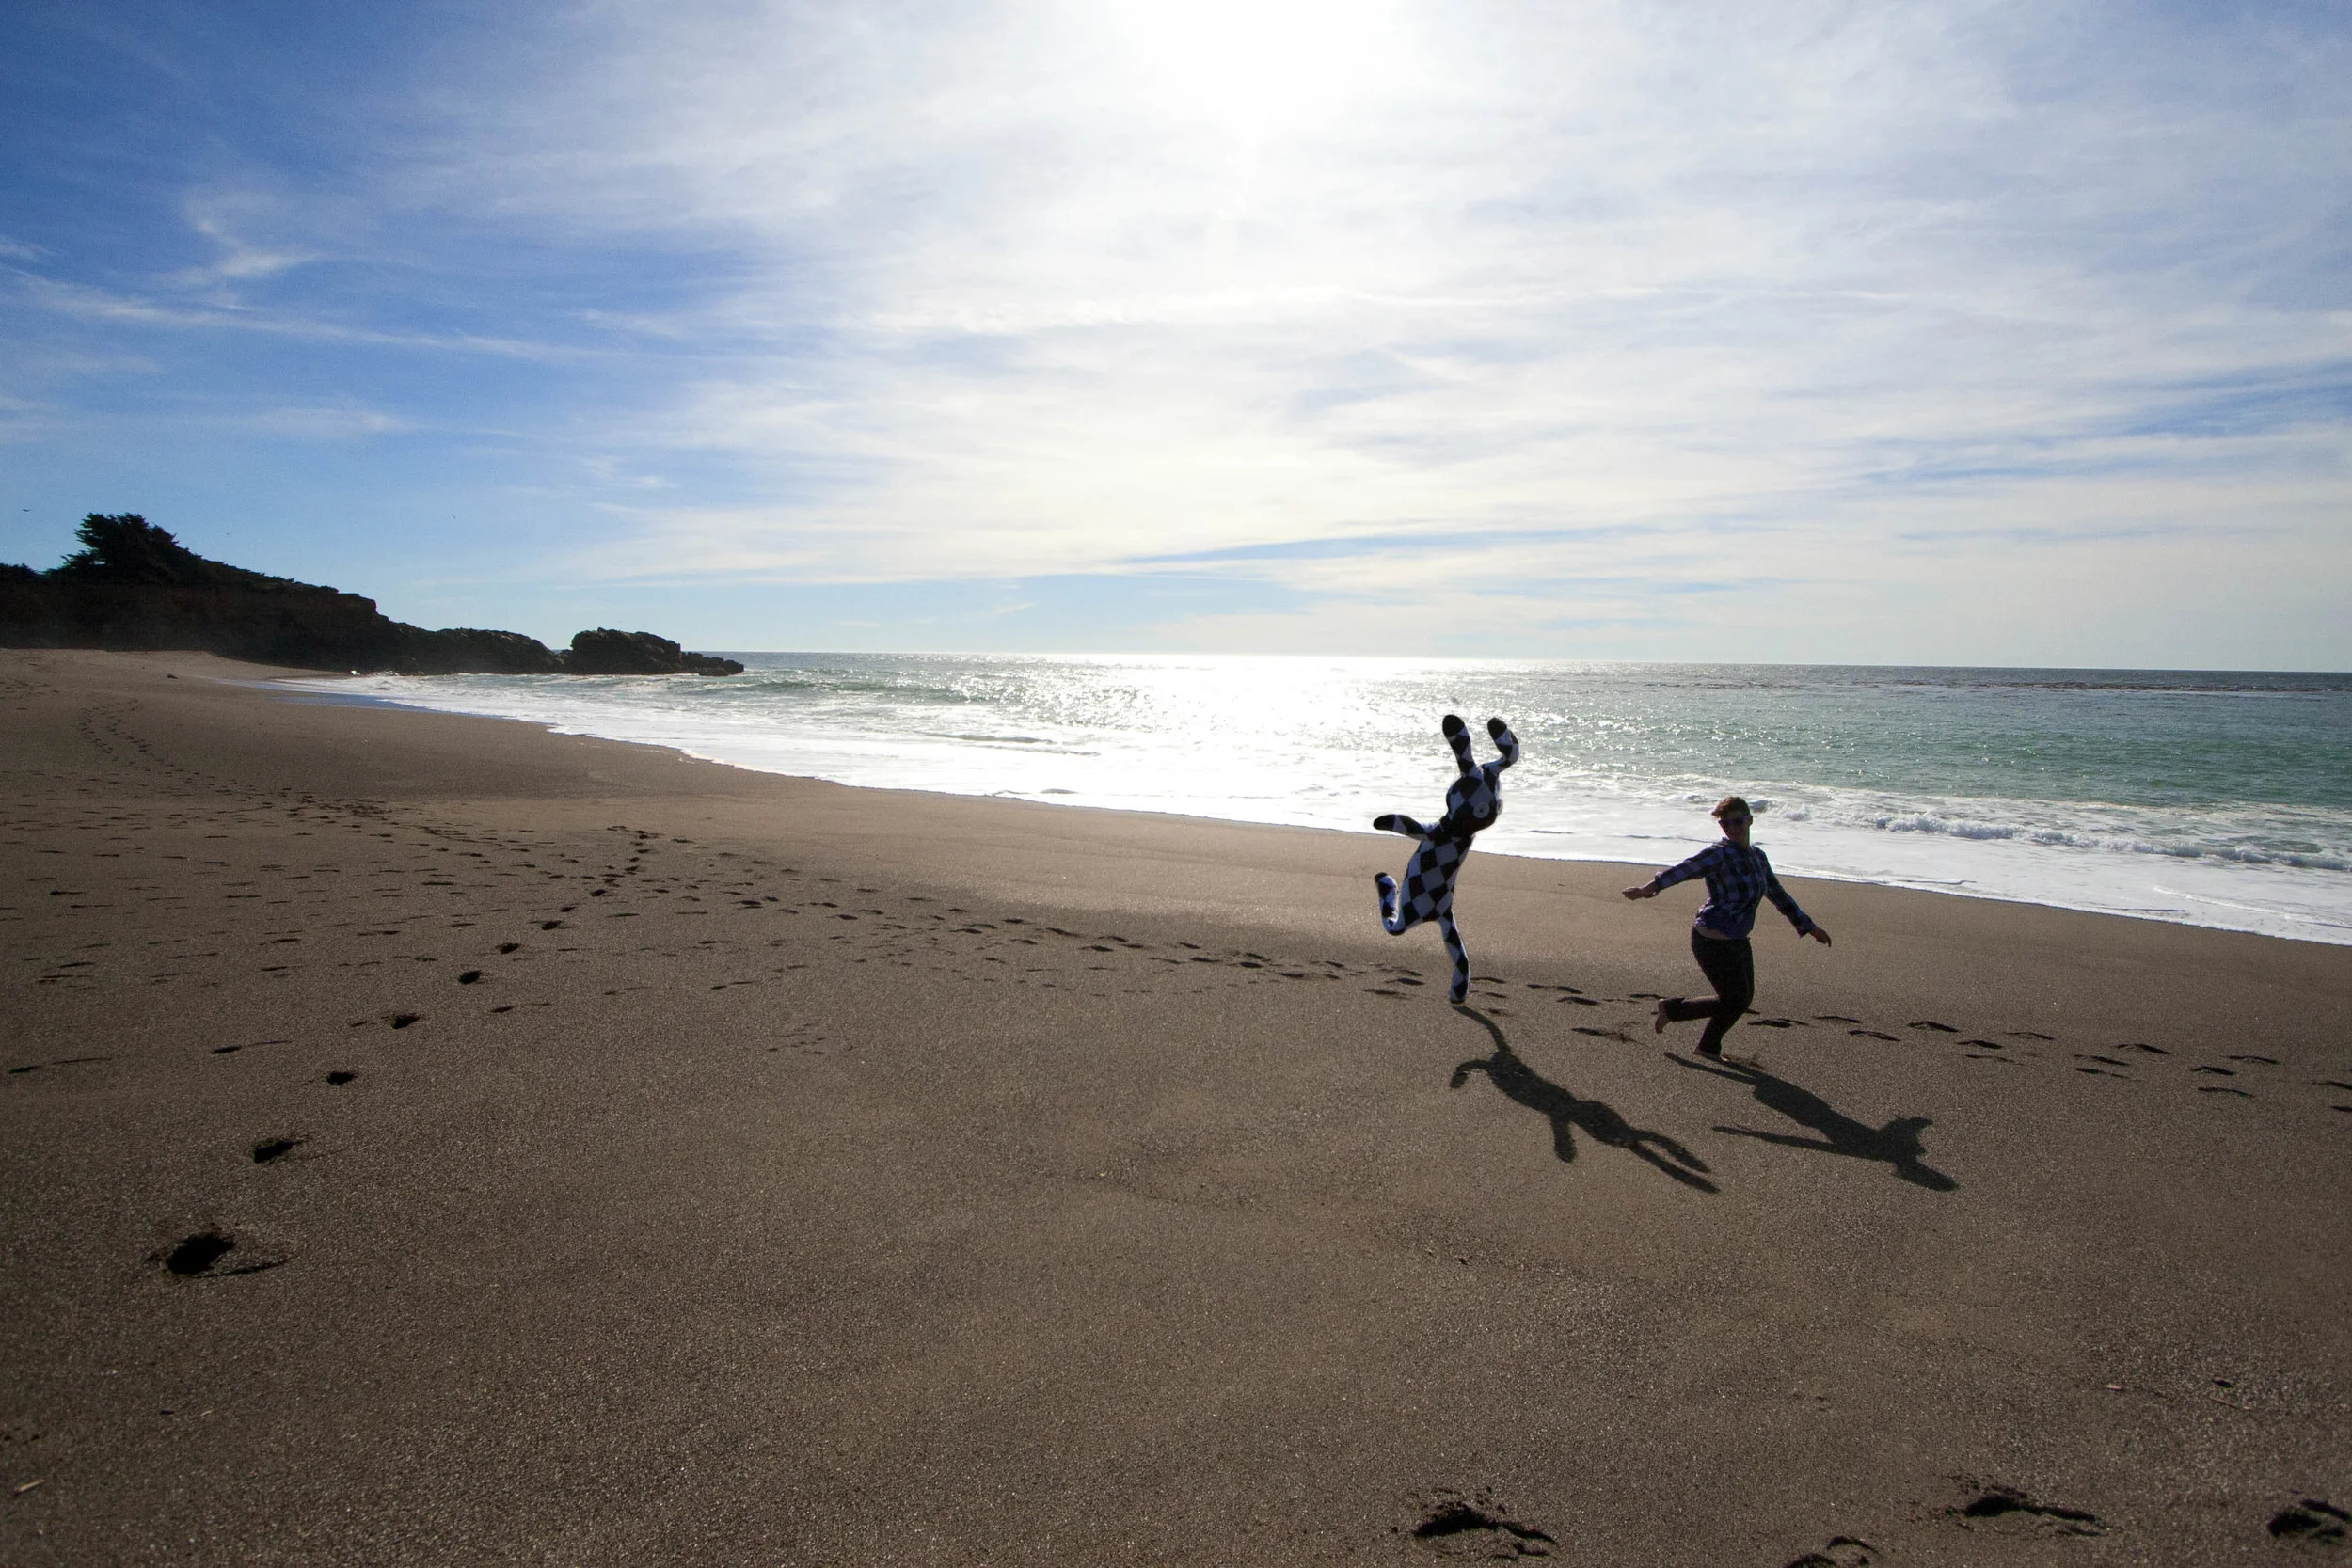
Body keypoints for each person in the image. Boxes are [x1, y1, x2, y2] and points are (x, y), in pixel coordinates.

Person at [1621, 796, 1830, 1057]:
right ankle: (1698, 1035)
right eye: (1725, 824)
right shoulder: (1718, 854)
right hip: (1711, 938)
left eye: (1737, 821)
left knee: (1741, 999)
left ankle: (1694, 1033)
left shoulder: (1758, 857)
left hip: (1738, 938)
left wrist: (1809, 927)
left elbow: (1778, 895)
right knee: (1735, 999)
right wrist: (1647, 890)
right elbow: (1684, 870)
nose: (1732, 828)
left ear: (1750, 820)